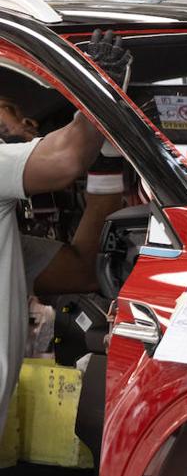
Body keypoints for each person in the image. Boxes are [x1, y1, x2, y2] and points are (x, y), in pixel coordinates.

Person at [0, 31, 132, 425]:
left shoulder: (11, 244)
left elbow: (80, 268)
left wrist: (106, 160)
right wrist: (97, 90)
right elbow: (66, 158)